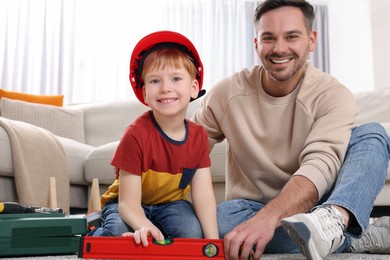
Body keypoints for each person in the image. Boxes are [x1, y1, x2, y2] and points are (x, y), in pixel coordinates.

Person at [191, 0, 390, 259]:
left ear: (311, 40)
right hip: (249, 209)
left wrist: (270, 219)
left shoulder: (333, 95)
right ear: (256, 44)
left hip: (319, 207)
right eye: (269, 38)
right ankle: (347, 238)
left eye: (292, 36)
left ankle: (333, 223)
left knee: (372, 134)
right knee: (210, 222)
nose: (279, 48)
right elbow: (183, 148)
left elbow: (319, 165)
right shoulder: (226, 93)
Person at [90, 31, 219, 246]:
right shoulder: (135, 134)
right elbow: (128, 204)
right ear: (144, 93)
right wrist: (143, 224)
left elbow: (203, 196)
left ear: (194, 88)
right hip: (127, 203)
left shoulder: (198, 136)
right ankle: (94, 231)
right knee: (117, 234)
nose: (166, 87)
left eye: (176, 78)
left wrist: (214, 242)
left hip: (170, 204)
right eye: (155, 81)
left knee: (190, 232)